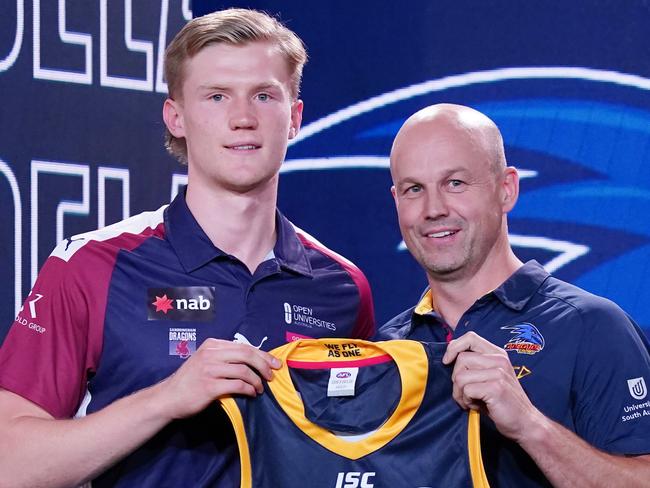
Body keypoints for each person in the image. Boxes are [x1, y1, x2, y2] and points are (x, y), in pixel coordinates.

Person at [0, 9, 374, 487]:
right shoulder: (92, 266)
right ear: (176, 117)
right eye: (217, 96)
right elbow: (10, 464)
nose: (243, 118)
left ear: (295, 117)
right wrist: (167, 398)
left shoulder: (342, 288)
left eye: (264, 95)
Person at [377, 103, 650, 487]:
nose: (433, 209)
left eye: (455, 183)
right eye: (414, 189)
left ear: (506, 189)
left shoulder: (592, 327)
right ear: (396, 201)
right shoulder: (386, 348)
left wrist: (529, 424)